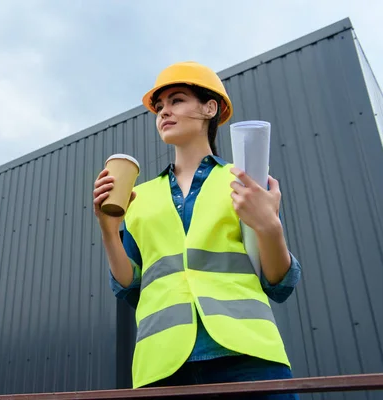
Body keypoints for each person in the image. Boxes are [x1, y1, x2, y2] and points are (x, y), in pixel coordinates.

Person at [92, 61, 302, 399]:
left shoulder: (243, 180)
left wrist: (270, 226)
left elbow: (278, 282)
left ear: (210, 108)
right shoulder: (138, 196)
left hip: (248, 358)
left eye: (176, 100)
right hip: (161, 367)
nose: (164, 112)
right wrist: (107, 228)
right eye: (159, 107)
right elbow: (130, 286)